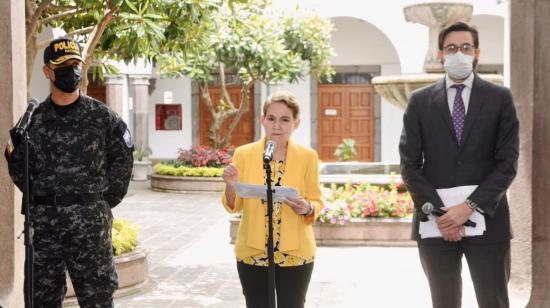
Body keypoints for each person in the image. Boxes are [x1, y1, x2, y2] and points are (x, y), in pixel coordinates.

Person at [4, 36, 134, 307]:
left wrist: (101, 202)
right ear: (48, 71)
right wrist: (42, 200)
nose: (71, 69)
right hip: (46, 228)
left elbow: (123, 159)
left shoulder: (101, 117)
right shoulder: (34, 121)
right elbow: (20, 170)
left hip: (90, 228)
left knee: (97, 299)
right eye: (63, 64)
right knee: (42, 300)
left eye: (76, 63)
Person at [399, 22, 519, 308]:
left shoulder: (500, 98)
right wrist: (443, 214)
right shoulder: (419, 102)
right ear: (440, 55)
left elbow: (507, 163)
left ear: (477, 52)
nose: (459, 53)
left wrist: (468, 207)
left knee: (494, 301)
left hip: (488, 221)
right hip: (435, 225)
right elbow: (409, 164)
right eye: (451, 48)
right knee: (444, 302)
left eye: (466, 47)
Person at [222, 90, 323, 308]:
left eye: (285, 119)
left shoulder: (308, 157)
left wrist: (307, 207)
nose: (277, 125)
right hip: (253, 252)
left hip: (296, 254)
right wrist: (231, 186)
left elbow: (317, 201)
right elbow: (233, 205)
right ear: (263, 120)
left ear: (296, 123)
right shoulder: (243, 154)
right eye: (271, 118)